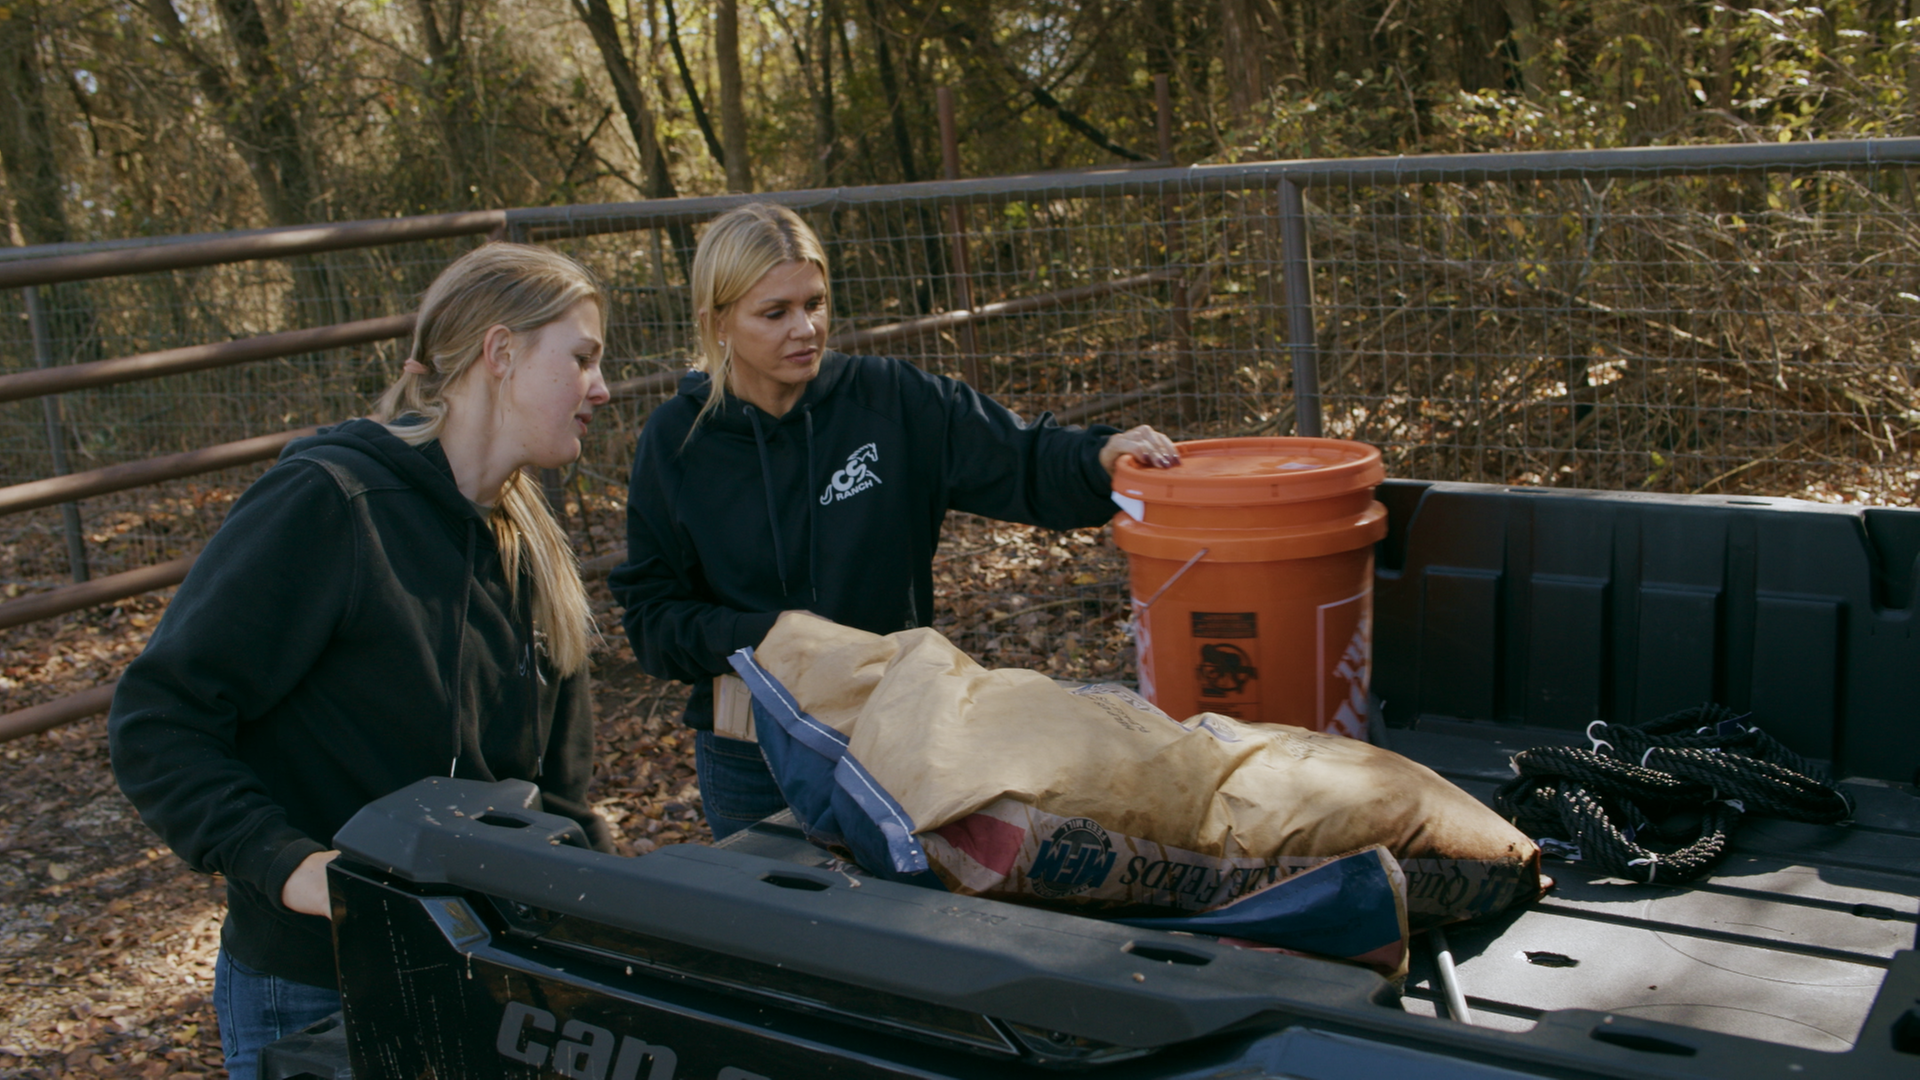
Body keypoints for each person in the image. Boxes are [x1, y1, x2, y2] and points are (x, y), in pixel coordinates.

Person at [108, 243, 614, 1079]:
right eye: (584, 358)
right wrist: (288, 866)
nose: (602, 387)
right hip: (318, 985)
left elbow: (559, 793)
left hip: (487, 975)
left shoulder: (530, 547)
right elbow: (159, 720)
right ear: (500, 354)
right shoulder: (331, 505)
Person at [610, 202, 1179, 839]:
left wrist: (1099, 460)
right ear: (719, 321)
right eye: (775, 313)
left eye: (816, 303)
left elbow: (1019, 458)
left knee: (898, 931)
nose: (806, 328)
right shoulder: (676, 442)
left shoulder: (891, 401)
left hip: (894, 738)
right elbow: (653, 617)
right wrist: (772, 636)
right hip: (752, 755)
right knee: (775, 937)